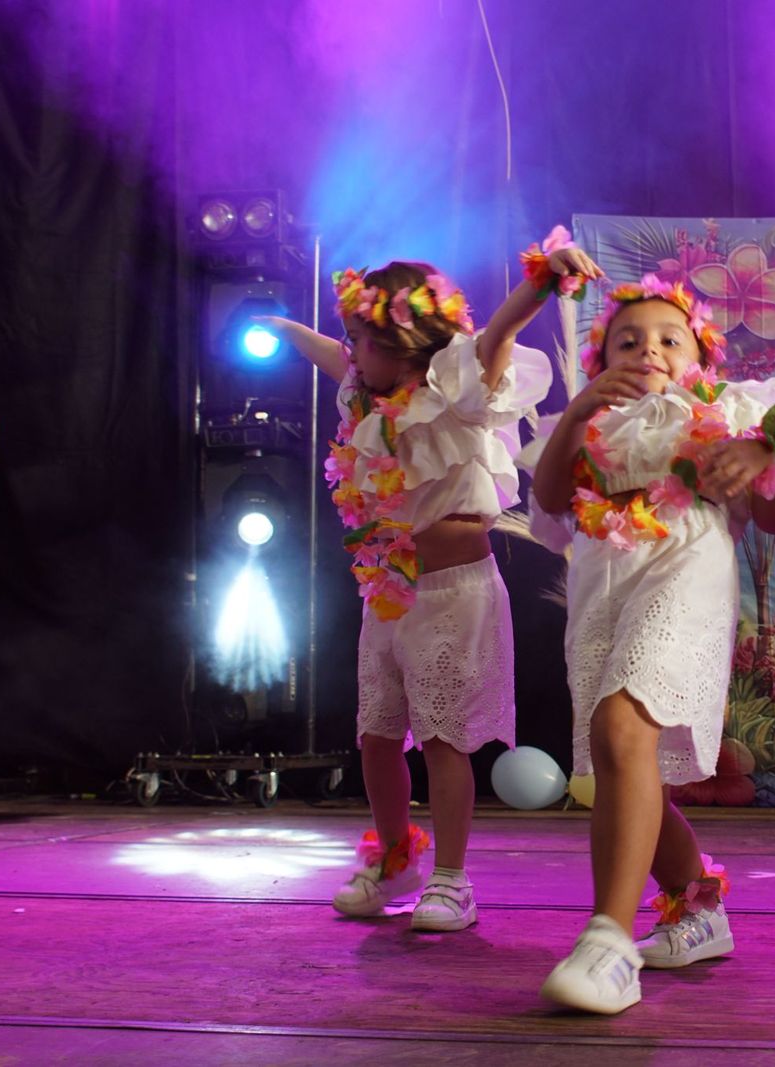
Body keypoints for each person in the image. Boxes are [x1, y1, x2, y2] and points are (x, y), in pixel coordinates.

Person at [259, 228, 583, 930]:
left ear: (405, 347)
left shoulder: (458, 389)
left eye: (361, 341)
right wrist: (285, 330)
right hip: (392, 592)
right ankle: (397, 855)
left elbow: (498, 332)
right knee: (376, 735)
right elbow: (331, 356)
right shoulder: (366, 393)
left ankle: (453, 880)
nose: (349, 351)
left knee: (444, 741)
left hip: (458, 594)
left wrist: (544, 278)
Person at [531, 275, 775, 1013]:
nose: (648, 348)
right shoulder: (594, 424)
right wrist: (578, 410)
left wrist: (760, 456)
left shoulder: (729, 410)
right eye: (628, 339)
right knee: (617, 758)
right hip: (603, 584)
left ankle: (609, 943)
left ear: (698, 358)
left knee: (623, 727)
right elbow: (553, 501)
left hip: (686, 569)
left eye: (668, 338)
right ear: (601, 358)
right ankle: (697, 905)